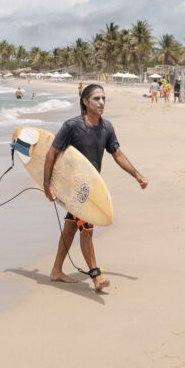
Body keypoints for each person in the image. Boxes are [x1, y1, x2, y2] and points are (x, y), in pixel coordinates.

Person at [44, 83, 148, 293]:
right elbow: (51, 153)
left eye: (103, 98)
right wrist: (47, 185)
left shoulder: (106, 128)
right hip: (75, 190)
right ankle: (96, 278)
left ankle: (56, 270)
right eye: (96, 99)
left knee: (72, 227)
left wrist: (137, 175)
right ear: (85, 102)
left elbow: (117, 154)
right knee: (87, 231)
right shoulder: (71, 126)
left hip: (91, 188)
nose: (101, 102)